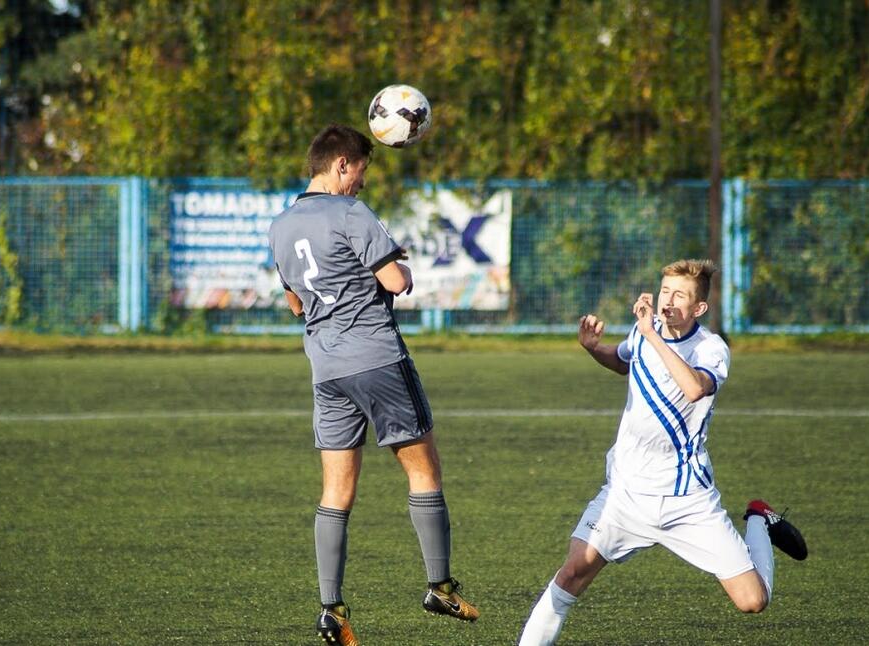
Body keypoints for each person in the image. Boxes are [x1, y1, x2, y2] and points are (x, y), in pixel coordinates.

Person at [518, 259, 807, 645]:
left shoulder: (710, 348)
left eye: (680, 296)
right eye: (665, 290)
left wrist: (651, 336)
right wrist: (593, 349)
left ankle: (758, 519)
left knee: (753, 601)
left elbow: (693, 388)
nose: (668, 301)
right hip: (625, 494)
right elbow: (623, 361)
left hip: (686, 500)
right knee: (572, 573)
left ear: (698, 308)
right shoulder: (644, 333)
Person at [268, 124, 479, 646]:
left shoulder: (281, 225)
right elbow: (396, 282)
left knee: (336, 491)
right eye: (362, 169)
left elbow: (296, 303)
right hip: (377, 357)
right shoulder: (350, 213)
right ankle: (439, 585)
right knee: (424, 470)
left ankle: (332, 609)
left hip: (325, 367)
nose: (363, 180)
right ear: (341, 164)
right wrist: (395, 265)